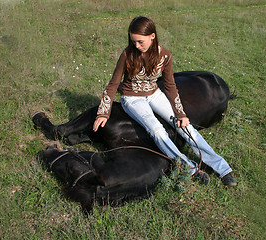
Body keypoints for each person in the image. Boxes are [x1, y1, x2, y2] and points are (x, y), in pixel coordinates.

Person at [93, 16, 237, 186]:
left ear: (152, 36)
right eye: (133, 41)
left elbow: (170, 86)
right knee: (157, 130)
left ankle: (223, 168)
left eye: (140, 41)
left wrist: (180, 113)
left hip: (154, 94)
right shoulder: (127, 54)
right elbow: (113, 84)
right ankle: (189, 168)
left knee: (185, 127)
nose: (136, 46)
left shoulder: (165, 55)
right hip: (132, 98)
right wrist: (103, 112)